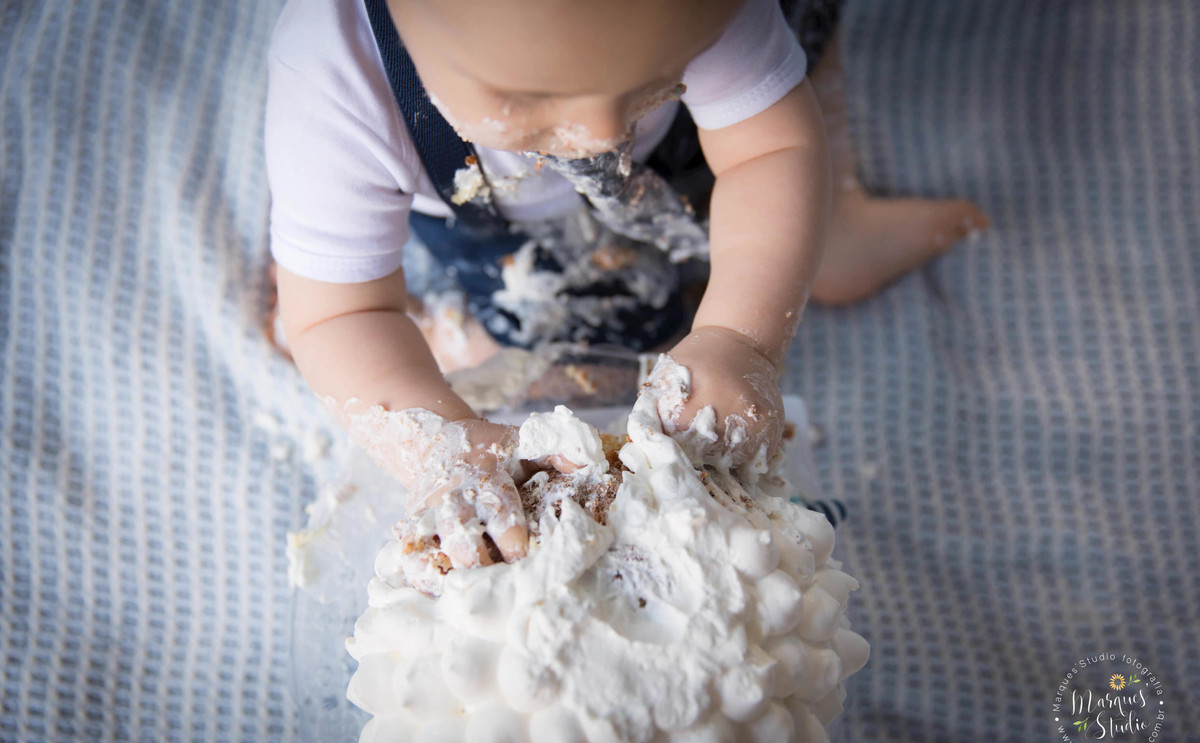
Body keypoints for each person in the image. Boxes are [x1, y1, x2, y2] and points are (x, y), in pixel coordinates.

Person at [265, 0, 986, 566]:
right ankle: (426, 320)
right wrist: (443, 445)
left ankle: (834, 213)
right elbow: (337, 313)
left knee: (801, 32)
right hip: (490, 213)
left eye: (657, 74)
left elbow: (770, 145)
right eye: (525, 94)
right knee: (568, 336)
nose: (601, 132)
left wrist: (741, 337)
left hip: (689, 146)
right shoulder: (331, 86)